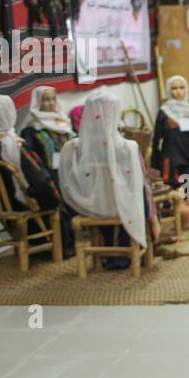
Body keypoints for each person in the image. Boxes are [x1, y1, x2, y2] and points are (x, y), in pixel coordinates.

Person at [59, 88, 160, 262]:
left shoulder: (73, 147)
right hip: (124, 206)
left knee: (109, 193)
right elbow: (142, 185)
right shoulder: (128, 147)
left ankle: (108, 251)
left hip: (91, 205)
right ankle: (130, 248)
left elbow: (68, 180)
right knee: (137, 193)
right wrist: (154, 217)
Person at [0, 93, 71, 253]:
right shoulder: (14, 144)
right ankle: (56, 246)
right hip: (22, 204)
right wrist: (56, 195)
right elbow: (40, 181)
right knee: (55, 198)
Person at [151, 75, 189, 206]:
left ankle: (188, 209)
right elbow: (157, 138)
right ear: (169, 90)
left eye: (181, 87)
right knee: (179, 190)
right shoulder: (164, 112)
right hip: (173, 158)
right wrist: (155, 163)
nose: (178, 91)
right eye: (174, 88)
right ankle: (179, 212)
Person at [20, 84, 75, 179]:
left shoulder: (64, 122)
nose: (52, 103)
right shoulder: (32, 130)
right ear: (38, 103)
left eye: (54, 99)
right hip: (50, 177)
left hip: (72, 170)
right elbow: (32, 162)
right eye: (46, 100)